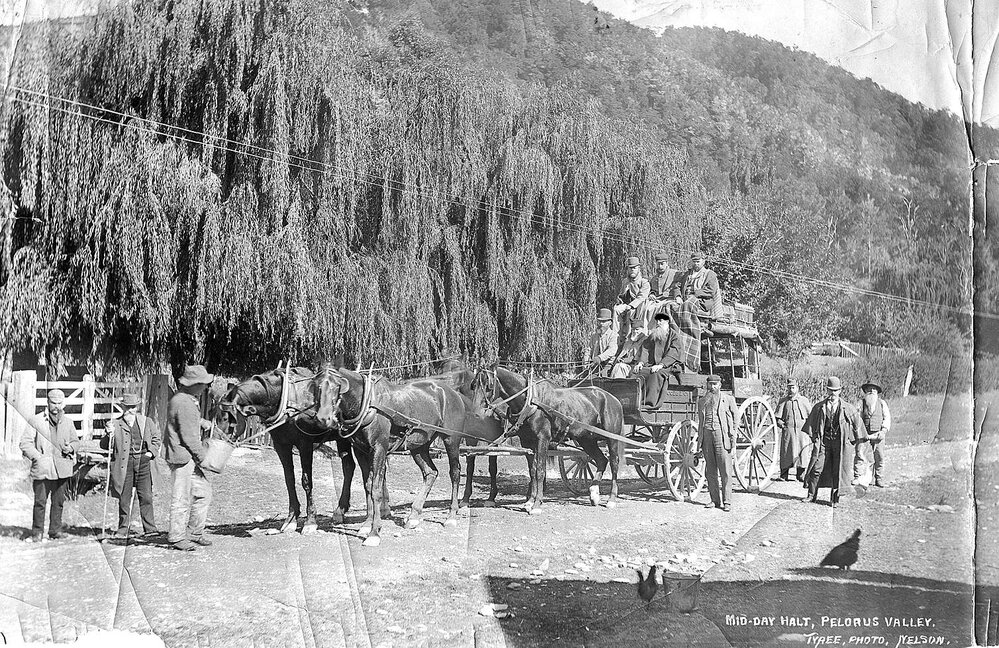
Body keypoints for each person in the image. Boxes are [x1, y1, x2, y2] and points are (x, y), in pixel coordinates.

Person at [164, 365, 215, 551]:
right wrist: (204, 459)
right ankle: (176, 537)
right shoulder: (184, 403)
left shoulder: (183, 399)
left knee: (204, 493)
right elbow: (189, 438)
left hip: (187, 456)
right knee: (181, 498)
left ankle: (194, 532)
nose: (205, 387)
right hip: (182, 457)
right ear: (193, 384)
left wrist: (201, 421)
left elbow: (184, 421)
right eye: (203, 384)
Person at [20, 389, 80, 541]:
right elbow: (25, 443)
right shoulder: (36, 420)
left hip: (62, 468)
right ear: (47, 402)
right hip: (43, 468)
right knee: (40, 502)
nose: (56, 406)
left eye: (59, 403)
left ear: (63, 404)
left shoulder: (68, 422)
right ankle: (37, 533)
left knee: (58, 502)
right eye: (53, 403)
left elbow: (76, 441)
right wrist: (37, 457)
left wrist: (71, 448)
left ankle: (55, 531)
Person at [101, 392, 161, 538]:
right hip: (124, 465)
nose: (130, 410)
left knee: (146, 497)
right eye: (127, 407)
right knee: (124, 499)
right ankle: (122, 529)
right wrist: (109, 434)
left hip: (144, 463)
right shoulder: (115, 424)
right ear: (123, 407)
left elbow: (156, 439)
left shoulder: (146, 422)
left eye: (133, 407)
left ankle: (150, 529)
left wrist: (149, 454)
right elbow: (104, 445)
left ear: (137, 407)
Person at [803, 376, 867, 507]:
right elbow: (810, 426)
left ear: (840, 391)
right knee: (816, 468)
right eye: (830, 390)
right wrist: (815, 438)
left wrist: (853, 442)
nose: (833, 393)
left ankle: (835, 499)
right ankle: (811, 495)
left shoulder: (848, 408)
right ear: (827, 390)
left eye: (835, 390)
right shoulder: (819, 407)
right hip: (824, 443)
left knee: (838, 471)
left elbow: (859, 427)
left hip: (840, 444)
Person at [696, 375, 738, 512]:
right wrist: (699, 442)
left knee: (725, 470)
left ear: (720, 385)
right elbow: (700, 422)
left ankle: (727, 501)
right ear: (707, 385)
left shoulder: (728, 399)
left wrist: (732, 435)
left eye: (715, 384)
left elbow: (736, 417)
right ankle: (715, 500)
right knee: (710, 471)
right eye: (710, 384)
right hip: (707, 435)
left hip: (722, 436)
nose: (712, 387)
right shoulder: (702, 401)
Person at [633, 312, 685, 406]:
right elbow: (646, 349)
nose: (658, 323)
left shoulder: (674, 336)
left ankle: (648, 403)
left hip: (669, 366)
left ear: (667, 321)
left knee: (655, 374)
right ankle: (634, 401)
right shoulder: (653, 335)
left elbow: (673, 353)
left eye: (660, 320)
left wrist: (661, 365)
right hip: (653, 364)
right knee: (637, 372)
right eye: (657, 321)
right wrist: (641, 363)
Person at [854, 381, 891, 488]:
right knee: (860, 455)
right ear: (865, 391)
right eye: (869, 390)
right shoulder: (861, 403)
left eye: (873, 390)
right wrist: (860, 432)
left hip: (878, 435)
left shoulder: (882, 403)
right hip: (864, 434)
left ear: (877, 392)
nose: (871, 392)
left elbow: (887, 418)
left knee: (879, 456)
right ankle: (858, 477)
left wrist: (883, 431)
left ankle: (879, 478)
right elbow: (857, 418)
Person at [775, 379, 812, 482]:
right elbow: (777, 417)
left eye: (793, 388)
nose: (791, 390)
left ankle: (800, 475)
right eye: (789, 388)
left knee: (802, 452)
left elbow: (811, 416)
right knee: (786, 452)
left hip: (802, 432)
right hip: (788, 431)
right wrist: (781, 424)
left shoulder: (804, 400)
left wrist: (809, 428)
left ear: (797, 388)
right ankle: (784, 475)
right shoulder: (783, 401)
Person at [671, 252, 721, 319]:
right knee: (670, 306)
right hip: (684, 299)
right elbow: (677, 286)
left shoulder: (709, 275)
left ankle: (688, 325)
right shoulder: (686, 274)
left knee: (687, 306)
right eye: (694, 262)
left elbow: (710, 291)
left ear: (703, 262)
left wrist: (695, 295)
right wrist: (678, 296)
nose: (696, 264)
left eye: (698, 262)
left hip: (701, 302)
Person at [614, 256, 651, 333]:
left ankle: (629, 336)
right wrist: (619, 300)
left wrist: (631, 306)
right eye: (630, 268)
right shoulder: (625, 281)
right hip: (626, 304)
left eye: (634, 268)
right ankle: (616, 334)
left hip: (638, 306)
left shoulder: (644, 282)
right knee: (616, 309)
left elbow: (642, 297)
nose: (632, 270)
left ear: (639, 268)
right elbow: (621, 295)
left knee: (630, 313)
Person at [587, 308, 618, 377]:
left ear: (610, 323)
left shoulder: (613, 335)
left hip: (608, 365)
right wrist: (585, 363)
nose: (601, 324)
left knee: (601, 379)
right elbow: (588, 350)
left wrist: (600, 358)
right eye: (599, 321)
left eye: (604, 322)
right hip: (594, 365)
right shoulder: (594, 336)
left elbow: (612, 350)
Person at [646, 252, 680, 317]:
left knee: (666, 309)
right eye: (658, 264)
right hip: (657, 300)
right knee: (647, 308)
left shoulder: (675, 274)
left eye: (662, 264)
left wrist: (678, 296)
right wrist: (652, 294)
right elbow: (652, 290)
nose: (660, 266)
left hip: (670, 299)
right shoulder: (654, 278)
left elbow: (678, 286)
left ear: (667, 263)